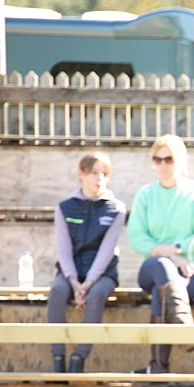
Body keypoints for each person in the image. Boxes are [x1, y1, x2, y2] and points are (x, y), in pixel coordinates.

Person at [126, 134, 194, 373]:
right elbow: (137, 237)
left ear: (180, 160)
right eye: (157, 160)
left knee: (165, 291)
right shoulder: (145, 195)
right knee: (163, 268)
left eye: (168, 159)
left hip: (193, 270)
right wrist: (170, 257)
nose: (162, 165)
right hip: (154, 266)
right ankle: (184, 328)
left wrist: (179, 248)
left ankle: (158, 366)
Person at [47, 152, 126, 373]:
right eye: (94, 173)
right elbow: (63, 249)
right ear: (81, 174)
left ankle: (78, 359)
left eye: (104, 174)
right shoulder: (64, 208)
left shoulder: (116, 209)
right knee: (57, 292)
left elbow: (106, 250)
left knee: (98, 295)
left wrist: (88, 284)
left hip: (102, 274)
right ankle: (58, 359)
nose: (99, 178)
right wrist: (73, 282)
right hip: (71, 272)